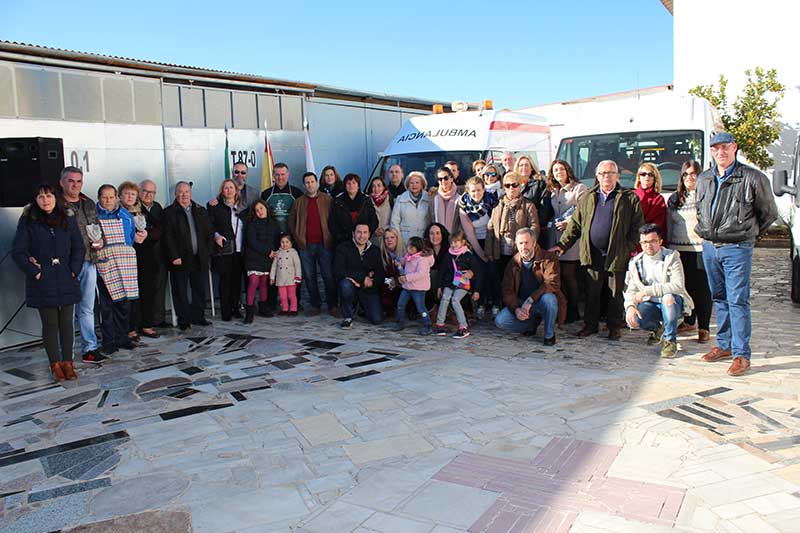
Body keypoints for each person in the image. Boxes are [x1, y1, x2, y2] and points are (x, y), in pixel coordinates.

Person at [695, 132, 778, 376]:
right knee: (719, 298)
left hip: (737, 248)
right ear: (711, 151)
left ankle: (742, 354)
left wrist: (746, 234)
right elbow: (701, 210)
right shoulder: (705, 179)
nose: (720, 152)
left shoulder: (752, 178)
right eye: (716, 148)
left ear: (734, 148)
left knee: (738, 300)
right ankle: (724, 345)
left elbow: (769, 213)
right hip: (710, 247)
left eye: (725, 147)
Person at [552, 160, 643, 340]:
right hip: (592, 254)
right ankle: (590, 325)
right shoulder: (589, 196)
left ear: (617, 175)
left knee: (615, 293)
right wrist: (563, 245)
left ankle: (614, 326)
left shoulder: (628, 198)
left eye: (610, 173)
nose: (606, 176)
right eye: (602, 173)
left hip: (617, 253)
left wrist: (628, 248)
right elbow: (575, 224)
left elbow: (637, 227)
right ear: (597, 176)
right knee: (592, 292)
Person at [13, 184, 84, 380]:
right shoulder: (28, 220)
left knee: (67, 323)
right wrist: (34, 271)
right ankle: (55, 364)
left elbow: (79, 247)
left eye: (49, 196)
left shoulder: (67, 218)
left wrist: (73, 270)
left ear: (56, 197)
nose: (46, 200)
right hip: (43, 278)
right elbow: (18, 251)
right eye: (41, 196)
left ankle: (68, 363)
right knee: (50, 323)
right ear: (35, 200)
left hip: (65, 276)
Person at [624, 223, 694, 358]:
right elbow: (631, 289)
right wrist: (630, 306)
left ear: (660, 241)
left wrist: (648, 291)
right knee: (635, 318)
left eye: (652, 241)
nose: (648, 246)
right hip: (650, 304)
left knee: (668, 298)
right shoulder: (636, 262)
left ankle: (670, 340)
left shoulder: (671, 257)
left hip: (672, 303)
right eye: (644, 242)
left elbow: (678, 285)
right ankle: (657, 329)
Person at [95, 184, 146, 355]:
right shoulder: (94, 215)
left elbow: (131, 237)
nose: (108, 200)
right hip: (105, 262)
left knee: (124, 303)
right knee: (106, 305)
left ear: (116, 197)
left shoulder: (125, 215)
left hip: (125, 262)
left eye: (111, 197)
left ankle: (122, 337)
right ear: (99, 198)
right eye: (104, 197)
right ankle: (109, 340)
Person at [58, 166, 101, 363]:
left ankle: (89, 349)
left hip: (89, 261)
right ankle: (63, 353)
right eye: (71, 181)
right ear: (62, 182)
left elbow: (97, 228)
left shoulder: (89, 203)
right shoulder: (55, 204)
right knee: (65, 310)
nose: (75, 185)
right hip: (66, 265)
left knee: (86, 308)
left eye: (78, 181)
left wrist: (101, 241)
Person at [667, 160, 711, 343]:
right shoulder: (674, 199)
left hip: (701, 249)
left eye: (693, 174)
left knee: (702, 290)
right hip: (679, 249)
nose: (690, 178)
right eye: (686, 174)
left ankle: (704, 327)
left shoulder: (706, 196)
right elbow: (669, 224)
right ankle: (689, 320)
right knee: (686, 287)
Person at [495, 228, 562, 345]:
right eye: (520, 243)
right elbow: (507, 290)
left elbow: (552, 283)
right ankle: (531, 324)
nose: (523, 247)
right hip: (521, 303)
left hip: (540, 301)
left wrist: (531, 300)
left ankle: (549, 335)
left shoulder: (549, 258)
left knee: (550, 299)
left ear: (534, 243)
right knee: (500, 321)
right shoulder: (513, 262)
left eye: (526, 242)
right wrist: (516, 309)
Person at [163, 181, 215, 331]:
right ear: (175, 194)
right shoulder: (169, 212)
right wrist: (174, 256)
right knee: (180, 290)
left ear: (191, 193)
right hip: (180, 259)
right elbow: (168, 237)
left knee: (199, 288)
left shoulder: (200, 210)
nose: (184, 194)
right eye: (180, 192)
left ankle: (198, 316)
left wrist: (207, 252)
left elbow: (209, 233)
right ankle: (184, 320)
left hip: (199, 257)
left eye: (186, 191)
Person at [288, 172, 336, 316]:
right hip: (306, 246)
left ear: (317, 183)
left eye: (312, 182)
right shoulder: (299, 202)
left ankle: (332, 305)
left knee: (328, 275)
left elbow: (334, 220)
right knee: (309, 276)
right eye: (307, 182)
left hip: (324, 244)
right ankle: (315, 305)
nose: (310, 185)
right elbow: (292, 222)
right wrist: (298, 238)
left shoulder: (327, 200)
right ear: (304, 185)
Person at [547, 160, 588, 323]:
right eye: (555, 170)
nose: (558, 173)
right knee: (559, 275)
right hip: (555, 237)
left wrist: (570, 221)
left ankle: (574, 309)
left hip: (572, 238)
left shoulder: (579, 188)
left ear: (567, 170)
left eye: (561, 169)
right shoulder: (552, 190)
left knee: (569, 275)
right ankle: (563, 308)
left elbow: (584, 210)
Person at [485, 171, 539, 290]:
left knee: (517, 281)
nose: (511, 188)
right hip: (500, 249)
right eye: (507, 185)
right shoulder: (498, 204)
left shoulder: (528, 205)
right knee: (501, 279)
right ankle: (501, 304)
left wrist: (528, 247)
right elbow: (490, 228)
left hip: (519, 251)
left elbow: (534, 227)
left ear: (520, 186)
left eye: (514, 185)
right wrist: (488, 251)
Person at [458, 177, 496, 318]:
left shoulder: (492, 201)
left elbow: (495, 226)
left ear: (484, 189)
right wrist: (481, 254)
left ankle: (494, 303)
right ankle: (480, 304)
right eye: (473, 191)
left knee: (493, 272)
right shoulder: (463, 204)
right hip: (475, 242)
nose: (476, 193)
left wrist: (489, 251)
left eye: (479, 190)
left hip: (491, 240)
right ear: (468, 191)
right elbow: (469, 232)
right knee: (479, 273)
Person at [334, 223, 385, 328]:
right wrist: (362, 278)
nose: (362, 236)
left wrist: (371, 282)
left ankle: (362, 307)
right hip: (351, 285)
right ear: (353, 233)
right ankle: (348, 315)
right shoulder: (343, 248)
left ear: (369, 234)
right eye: (359, 232)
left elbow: (379, 272)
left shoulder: (375, 250)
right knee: (345, 284)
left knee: (377, 320)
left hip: (367, 288)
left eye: (365, 232)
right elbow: (339, 270)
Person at [208, 179, 245, 322]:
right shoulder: (215, 206)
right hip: (225, 249)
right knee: (225, 280)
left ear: (236, 190)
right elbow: (209, 226)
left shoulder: (243, 206)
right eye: (225, 188)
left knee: (237, 281)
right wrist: (216, 236)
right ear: (222, 191)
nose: (229, 190)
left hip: (240, 248)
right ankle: (226, 311)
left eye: (231, 187)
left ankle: (236, 308)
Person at [434, 230, 481, 339]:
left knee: (455, 300)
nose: (453, 244)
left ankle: (463, 327)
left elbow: (477, 272)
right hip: (449, 282)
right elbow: (442, 271)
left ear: (463, 242)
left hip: (462, 283)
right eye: (452, 242)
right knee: (445, 298)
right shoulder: (448, 254)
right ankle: (439, 324)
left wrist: (476, 290)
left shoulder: (468, 255)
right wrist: (439, 286)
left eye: (456, 242)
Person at [118, 181, 148, 343]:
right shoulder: (117, 212)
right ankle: (127, 328)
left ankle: (135, 326)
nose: (130, 197)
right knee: (125, 296)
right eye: (127, 193)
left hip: (140, 256)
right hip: (123, 257)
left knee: (136, 294)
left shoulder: (140, 212)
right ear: (120, 195)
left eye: (133, 194)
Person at [138, 179, 168, 331]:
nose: (149, 195)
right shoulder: (134, 208)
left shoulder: (157, 207)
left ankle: (159, 318)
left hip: (159, 254)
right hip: (142, 255)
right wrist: (153, 233)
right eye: (145, 191)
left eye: (152, 192)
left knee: (159, 287)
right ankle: (145, 322)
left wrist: (152, 233)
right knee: (145, 290)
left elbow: (162, 229)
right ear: (139, 190)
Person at [244, 200, 280, 323]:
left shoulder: (274, 224)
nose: (260, 211)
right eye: (257, 210)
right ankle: (249, 311)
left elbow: (277, 240)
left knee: (264, 283)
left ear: (266, 208)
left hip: (268, 259)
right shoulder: (252, 225)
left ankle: (263, 307)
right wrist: (268, 251)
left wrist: (276, 251)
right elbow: (252, 242)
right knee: (253, 282)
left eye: (261, 208)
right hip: (254, 258)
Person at [393, 236, 434, 334]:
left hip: (418, 288)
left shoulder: (422, 260)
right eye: (408, 247)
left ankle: (427, 324)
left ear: (417, 249)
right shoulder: (410, 255)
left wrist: (407, 277)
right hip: (407, 287)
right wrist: (399, 261)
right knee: (400, 304)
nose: (408, 249)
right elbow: (405, 260)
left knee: (420, 307)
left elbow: (421, 274)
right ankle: (400, 322)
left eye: (411, 248)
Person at [331, 173, 379, 244]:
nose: (351, 186)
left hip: (363, 241)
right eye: (348, 183)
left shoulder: (366, 200)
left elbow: (373, 220)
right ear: (345, 186)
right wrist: (339, 237)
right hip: (343, 241)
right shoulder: (337, 201)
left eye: (354, 183)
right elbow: (333, 222)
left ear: (358, 185)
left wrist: (366, 235)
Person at [518, 155, 555, 247]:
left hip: (535, 230)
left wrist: (534, 226)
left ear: (532, 168)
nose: (524, 168)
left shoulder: (540, 184)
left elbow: (545, 209)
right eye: (521, 165)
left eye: (527, 165)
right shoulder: (513, 184)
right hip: (518, 231)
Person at [261, 163, 303, 233]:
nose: (280, 178)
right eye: (277, 175)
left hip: (291, 235)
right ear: (273, 175)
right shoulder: (265, 194)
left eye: (283, 174)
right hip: (271, 235)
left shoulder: (297, 193)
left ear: (288, 174)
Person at [390, 171, 431, 243]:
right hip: (405, 241)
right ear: (408, 185)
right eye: (411, 183)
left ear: (422, 185)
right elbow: (394, 222)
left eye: (417, 183)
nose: (414, 185)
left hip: (424, 240)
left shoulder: (429, 199)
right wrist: (398, 239)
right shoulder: (400, 199)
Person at [633, 163, 667, 245]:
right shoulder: (631, 196)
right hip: (632, 240)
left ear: (655, 178)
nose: (647, 177)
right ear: (639, 177)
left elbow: (658, 225)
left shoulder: (659, 199)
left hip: (651, 242)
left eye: (650, 174)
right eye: (643, 174)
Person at [270, 234, 302, 316]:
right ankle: (284, 309)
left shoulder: (293, 252)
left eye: (287, 242)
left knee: (292, 295)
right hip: (281, 279)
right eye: (282, 242)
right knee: (282, 296)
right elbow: (274, 266)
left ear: (291, 243)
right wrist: (272, 277)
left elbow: (297, 265)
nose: (285, 244)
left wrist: (298, 276)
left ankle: (293, 309)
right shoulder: (278, 253)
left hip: (291, 278)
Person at [424, 222, 450, 311]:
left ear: (443, 234)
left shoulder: (450, 248)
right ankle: (432, 307)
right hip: (430, 285)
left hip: (446, 281)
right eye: (432, 233)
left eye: (438, 233)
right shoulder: (424, 249)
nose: (435, 236)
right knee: (432, 274)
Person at [428, 166, 462, 234]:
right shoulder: (433, 196)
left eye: (445, 178)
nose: (443, 181)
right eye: (440, 179)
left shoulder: (461, 194)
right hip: (438, 238)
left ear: (451, 178)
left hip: (456, 239)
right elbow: (430, 218)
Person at [379, 227, 404, 314]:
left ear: (397, 239)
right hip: (387, 284)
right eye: (386, 238)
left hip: (402, 283)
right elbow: (380, 275)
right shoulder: (381, 255)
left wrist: (396, 280)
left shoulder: (405, 254)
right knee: (388, 284)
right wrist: (392, 281)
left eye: (392, 237)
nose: (389, 240)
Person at [368, 176, 394, 247]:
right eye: (373, 186)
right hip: (373, 238)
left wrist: (385, 229)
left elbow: (395, 218)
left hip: (388, 238)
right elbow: (365, 219)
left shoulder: (391, 199)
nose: (376, 189)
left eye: (379, 186)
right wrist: (373, 230)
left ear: (383, 187)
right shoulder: (367, 201)